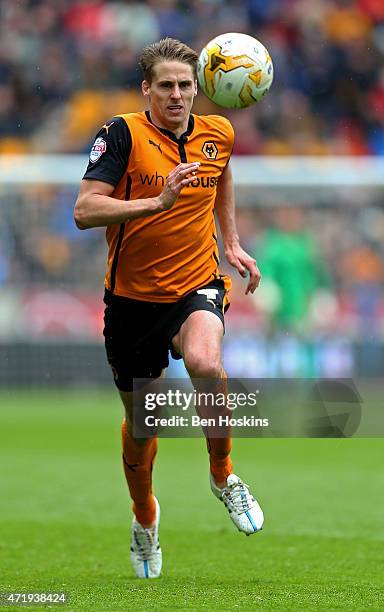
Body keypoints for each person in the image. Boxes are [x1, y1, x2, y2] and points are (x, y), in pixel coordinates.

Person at [74, 37, 264, 579]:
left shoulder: (217, 133)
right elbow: (85, 211)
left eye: (185, 85)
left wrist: (229, 241)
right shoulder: (122, 134)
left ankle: (223, 475)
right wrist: (156, 204)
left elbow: (221, 172)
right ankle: (144, 517)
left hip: (195, 286)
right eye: (166, 86)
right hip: (132, 301)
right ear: (147, 90)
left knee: (207, 364)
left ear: (197, 89)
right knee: (143, 423)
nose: (177, 95)